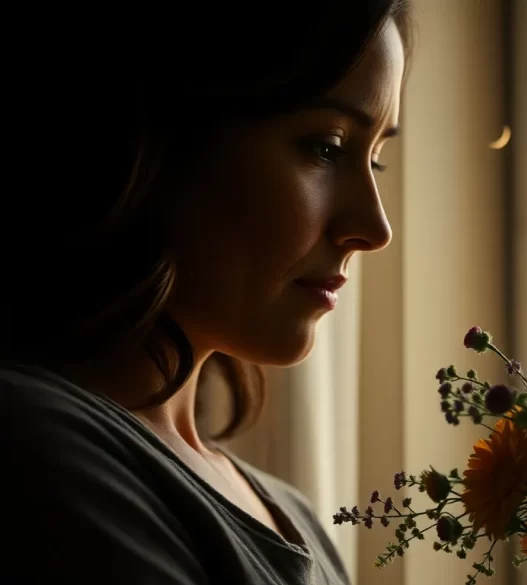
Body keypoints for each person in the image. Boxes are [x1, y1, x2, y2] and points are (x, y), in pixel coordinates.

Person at [0, 1, 411, 583]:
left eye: (376, 160)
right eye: (326, 146)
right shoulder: (39, 454)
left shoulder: (292, 515)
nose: (374, 229)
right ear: (163, 140)